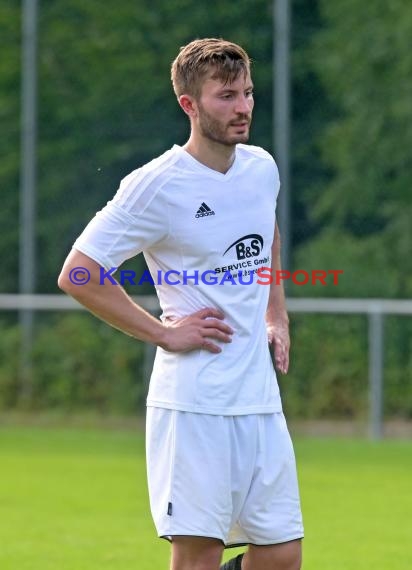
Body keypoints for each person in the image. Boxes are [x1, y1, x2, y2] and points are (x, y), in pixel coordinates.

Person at [58, 38, 303, 570]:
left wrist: (274, 312)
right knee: (198, 558)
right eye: (226, 96)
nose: (243, 108)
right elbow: (79, 273)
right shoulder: (156, 185)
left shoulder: (261, 168)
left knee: (283, 555)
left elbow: (266, 231)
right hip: (194, 402)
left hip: (258, 397)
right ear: (189, 105)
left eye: (248, 94)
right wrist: (165, 333)